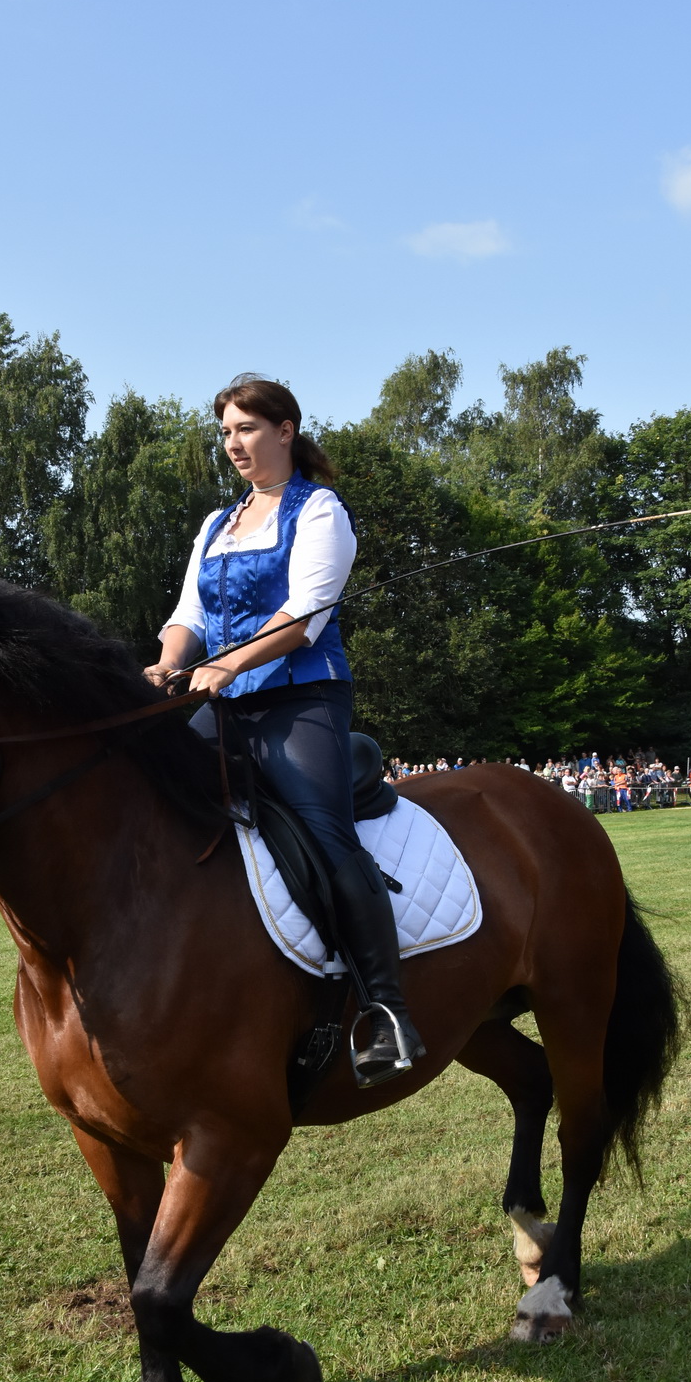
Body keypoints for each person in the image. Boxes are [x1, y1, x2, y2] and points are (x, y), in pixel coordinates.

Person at [146, 375, 424, 1086]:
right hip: (224, 700)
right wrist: (169, 664)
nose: (233, 444)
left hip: (302, 699)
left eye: (245, 428)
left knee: (325, 834)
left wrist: (229, 663)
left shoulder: (320, 510)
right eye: (225, 433)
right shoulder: (217, 524)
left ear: (284, 430)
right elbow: (189, 615)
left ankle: (386, 1011)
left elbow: (305, 616)